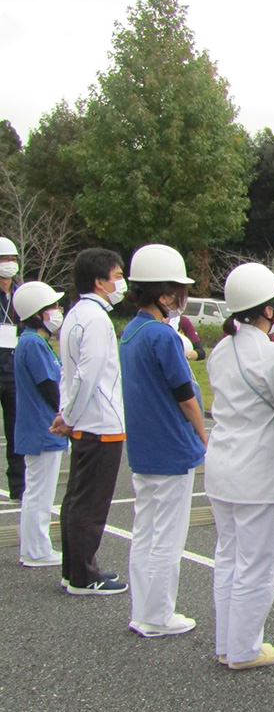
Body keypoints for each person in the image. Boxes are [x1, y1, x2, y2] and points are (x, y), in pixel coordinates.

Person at [205, 263, 274, 670]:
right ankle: (244, 649)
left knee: (229, 556)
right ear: (268, 309)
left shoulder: (221, 350)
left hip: (221, 465)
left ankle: (227, 643)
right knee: (257, 563)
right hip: (258, 472)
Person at [119, 244, 207, 637]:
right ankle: (158, 616)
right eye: (178, 290)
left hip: (144, 448)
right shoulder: (163, 336)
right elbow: (186, 396)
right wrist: (204, 439)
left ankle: (144, 611)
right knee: (168, 538)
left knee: (146, 531)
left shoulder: (131, 331)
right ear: (165, 294)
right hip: (171, 448)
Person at [51, 248, 129, 595]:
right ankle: (84, 574)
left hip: (85, 420)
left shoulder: (76, 314)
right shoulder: (96, 319)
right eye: (116, 276)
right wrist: (69, 415)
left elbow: (71, 376)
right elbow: (88, 373)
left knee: (77, 499)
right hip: (100, 423)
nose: (121, 283)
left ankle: (74, 569)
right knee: (91, 503)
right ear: (99, 282)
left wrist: (67, 412)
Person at [13, 281, 67, 567]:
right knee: (40, 493)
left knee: (37, 491)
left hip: (38, 429)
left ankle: (34, 547)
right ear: (37, 314)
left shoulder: (33, 342)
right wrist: (65, 414)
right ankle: (36, 550)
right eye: (52, 308)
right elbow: (49, 387)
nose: (58, 311)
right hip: (44, 429)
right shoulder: (33, 343)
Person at [0, 236, 26, 501]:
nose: (9, 265)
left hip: (14, 371)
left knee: (16, 430)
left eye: (12, 260)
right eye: (3, 260)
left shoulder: (20, 294)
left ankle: (18, 487)